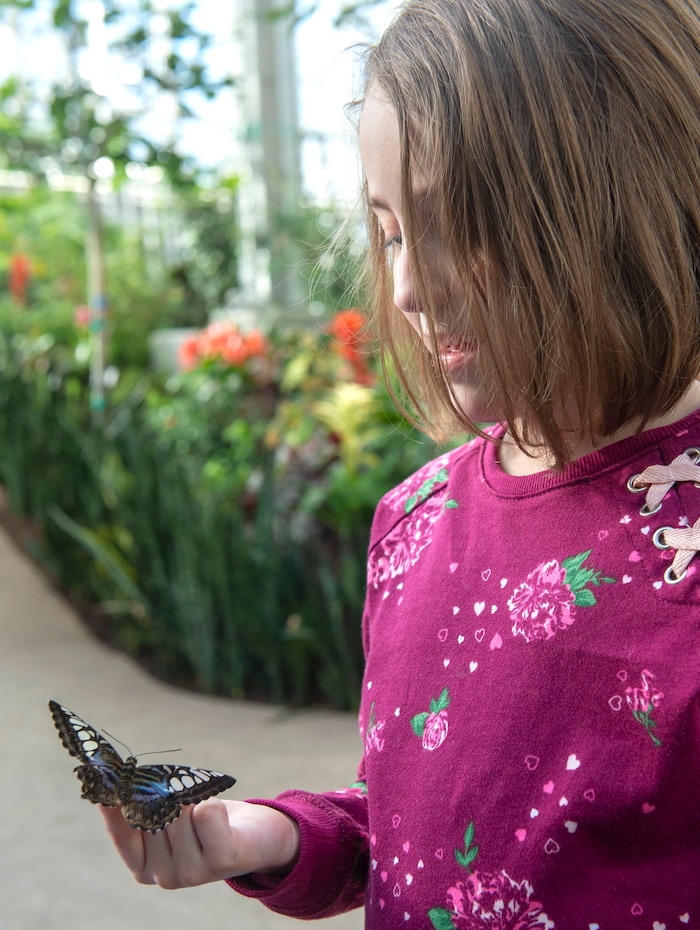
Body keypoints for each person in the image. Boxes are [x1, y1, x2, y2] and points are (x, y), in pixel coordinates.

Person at [100, 0, 700, 925]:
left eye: (457, 223)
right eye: (390, 233)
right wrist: (281, 836)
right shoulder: (416, 521)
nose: (412, 287)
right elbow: (424, 826)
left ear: (616, 205)